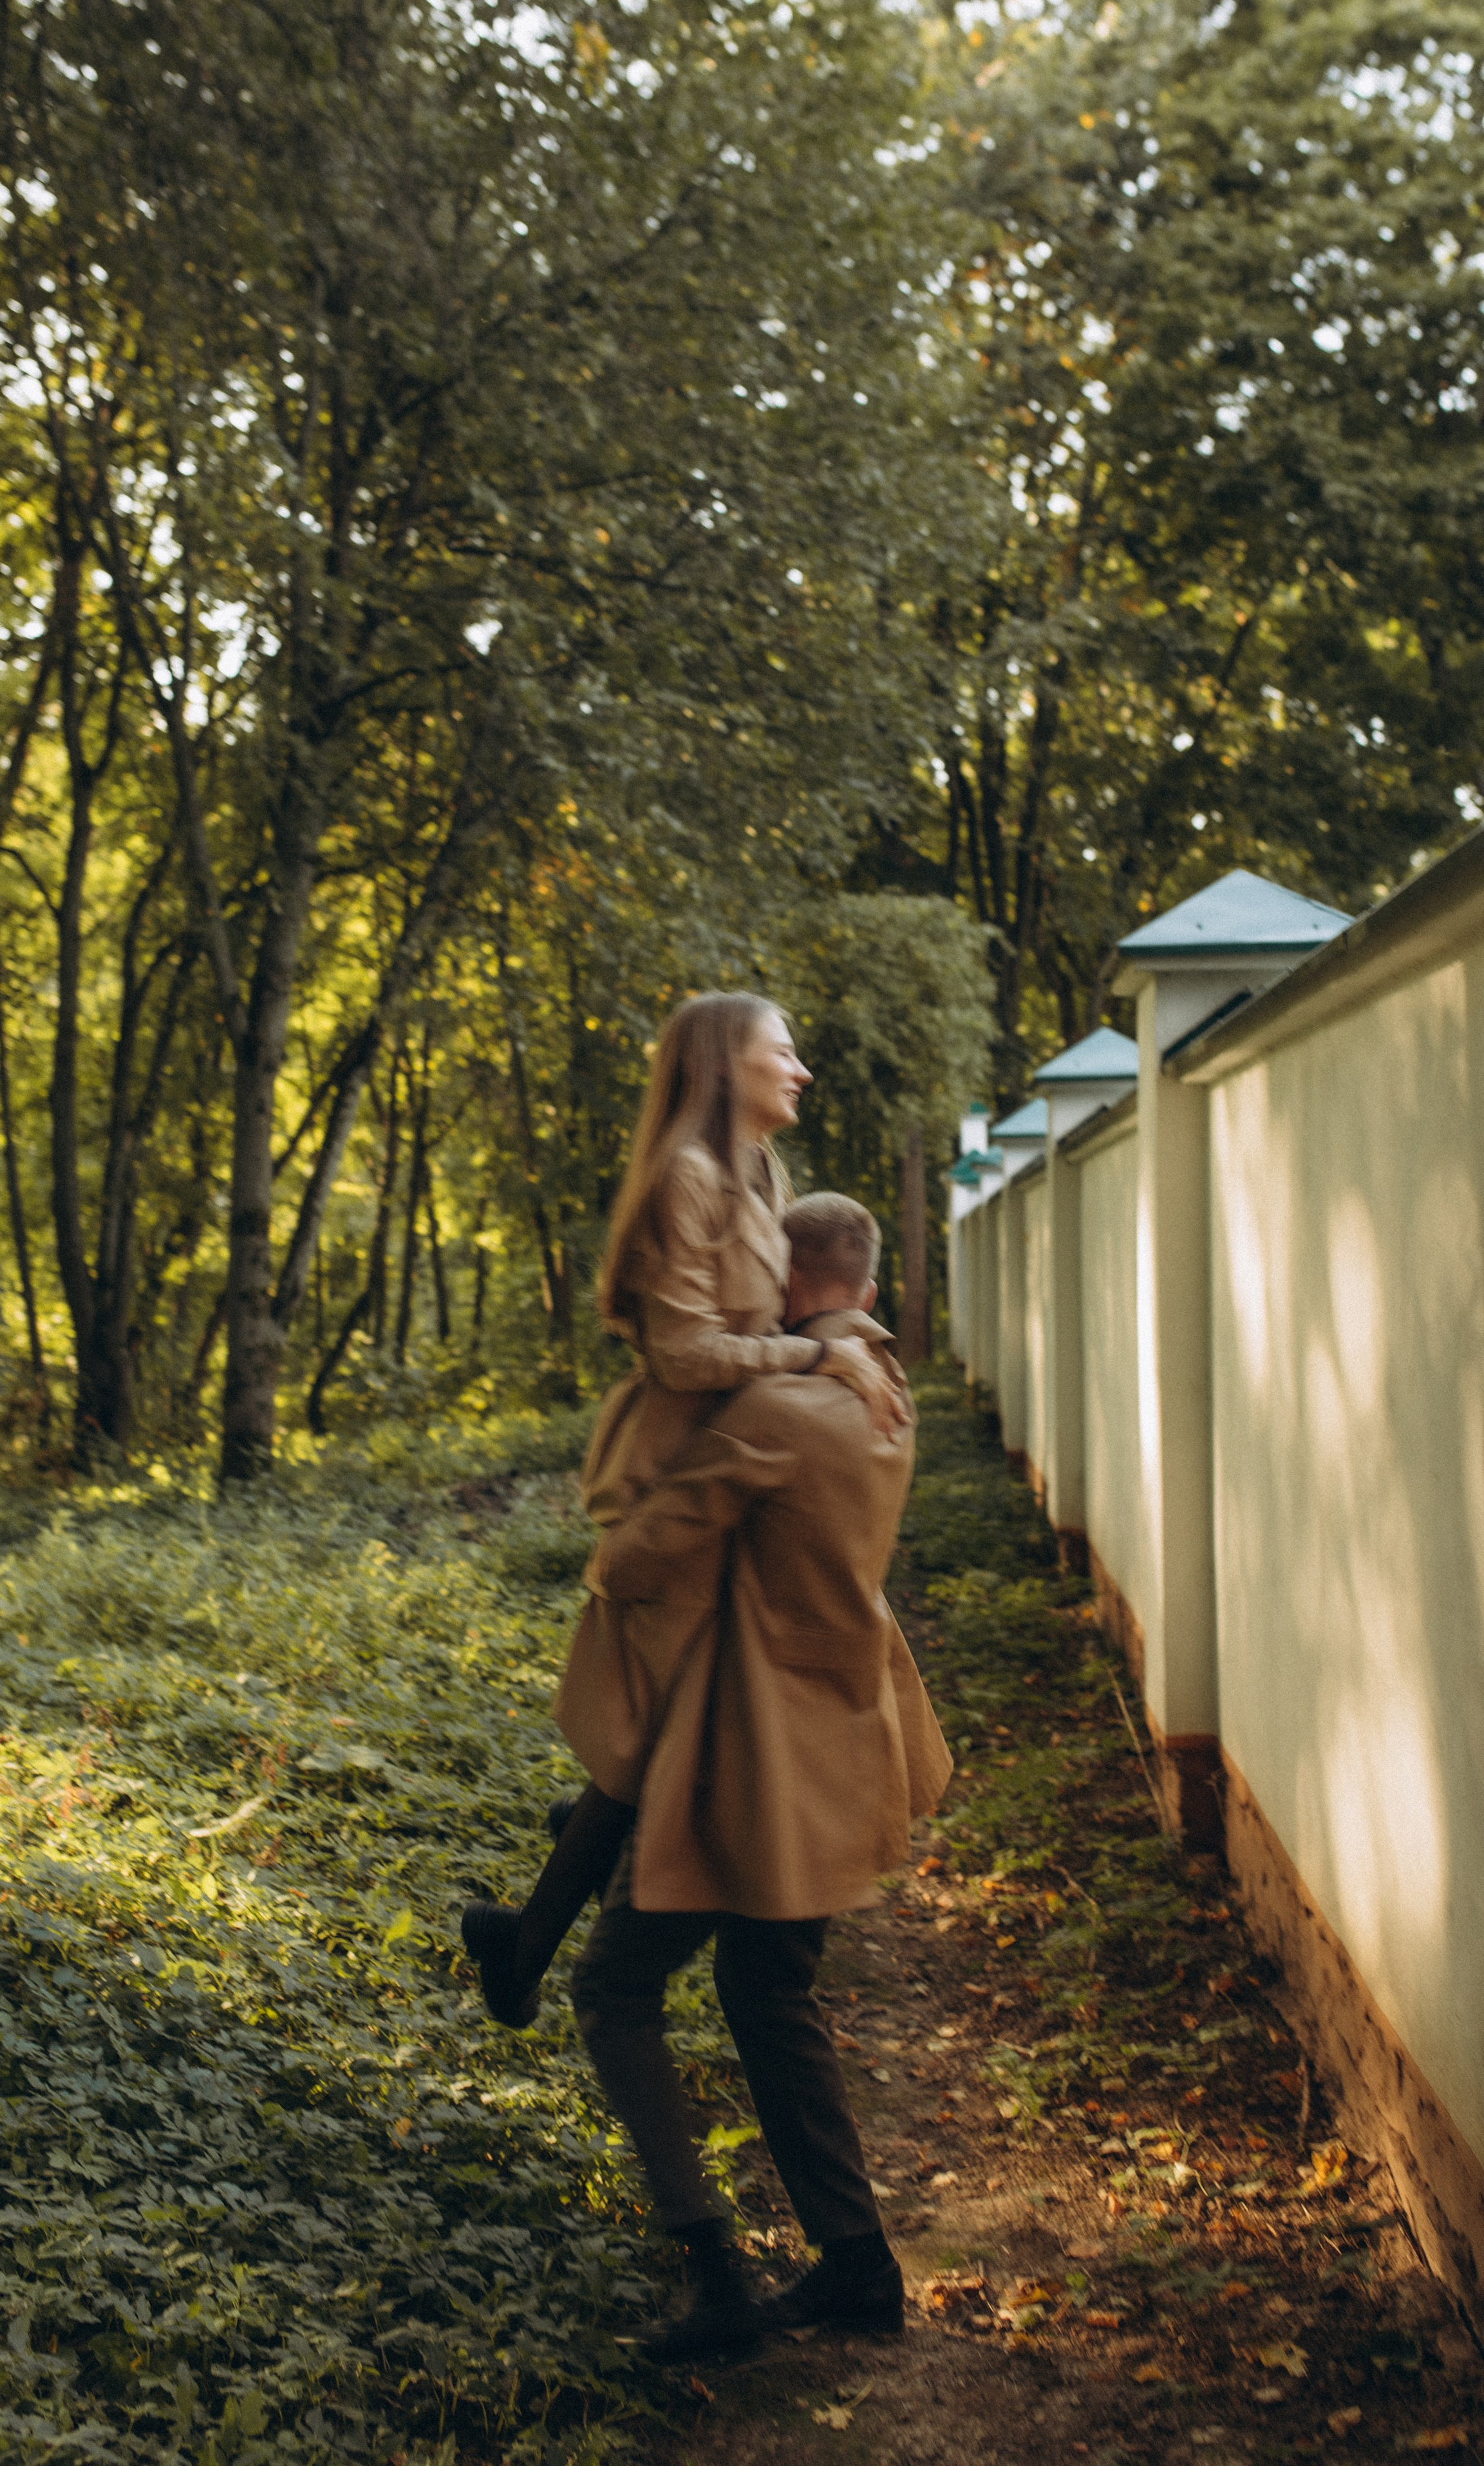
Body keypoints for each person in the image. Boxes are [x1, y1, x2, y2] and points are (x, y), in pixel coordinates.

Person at [460, 994, 907, 2026]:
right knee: (669, 1704)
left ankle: (526, 1940)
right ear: (723, 1064)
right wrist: (819, 1355)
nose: (800, 1068)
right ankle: (541, 1932)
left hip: (739, 1462)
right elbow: (684, 1354)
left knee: (686, 1707)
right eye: (782, 1051)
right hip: (679, 1469)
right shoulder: (688, 1179)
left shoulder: (759, 1173)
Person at [570, 1191, 952, 2362]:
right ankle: (854, 2266)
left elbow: (636, 1553)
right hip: (845, 1733)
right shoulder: (881, 1388)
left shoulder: (783, 1411)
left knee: (620, 1986)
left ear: (779, 1291)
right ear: (872, 1290)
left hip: (764, 1756)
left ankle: (732, 2267)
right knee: (766, 1990)